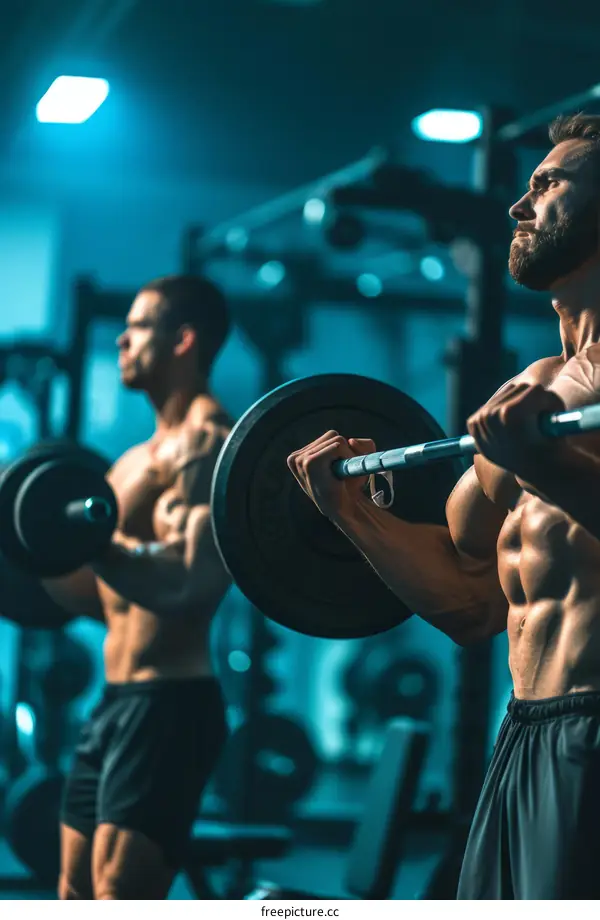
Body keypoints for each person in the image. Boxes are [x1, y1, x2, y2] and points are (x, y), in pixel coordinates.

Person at [288, 113, 600, 900]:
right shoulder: (532, 388)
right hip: (524, 732)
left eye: (548, 183)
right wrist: (350, 512)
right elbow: (467, 597)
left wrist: (547, 469)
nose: (516, 208)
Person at [42, 274, 234, 899]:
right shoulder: (130, 462)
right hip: (115, 700)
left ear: (183, 339)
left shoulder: (208, 447)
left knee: (119, 899)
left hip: (170, 705)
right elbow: (98, 597)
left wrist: (94, 543)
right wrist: (30, 551)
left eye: (139, 326)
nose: (121, 339)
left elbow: (188, 583)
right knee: (72, 893)